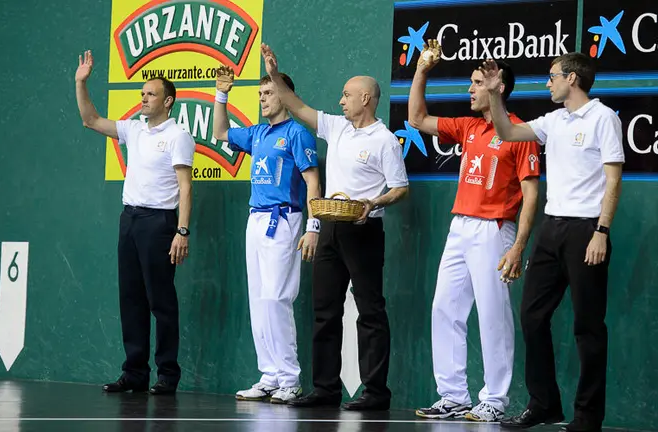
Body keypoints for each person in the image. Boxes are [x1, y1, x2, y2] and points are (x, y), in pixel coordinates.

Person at [258, 43, 409, 411]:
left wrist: (374, 203)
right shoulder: (337, 127)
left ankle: (376, 392)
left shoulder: (384, 140)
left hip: (364, 230)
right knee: (325, 311)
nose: (341, 100)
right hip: (330, 229)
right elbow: (295, 105)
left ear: (367, 98)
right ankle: (325, 388)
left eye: (347, 95)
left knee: (371, 311)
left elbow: (400, 188)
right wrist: (275, 74)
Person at [481, 53, 624, 432]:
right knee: (531, 316)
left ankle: (587, 416)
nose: (547, 83)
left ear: (572, 79)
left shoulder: (603, 118)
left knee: (587, 326)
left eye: (552, 77)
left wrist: (602, 231)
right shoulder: (552, 121)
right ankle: (544, 404)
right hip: (551, 228)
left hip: (586, 231)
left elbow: (613, 180)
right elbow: (507, 134)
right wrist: (495, 95)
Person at [407, 40, 541, 422]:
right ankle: (453, 396)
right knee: (444, 307)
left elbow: (531, 194)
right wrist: (422, 70)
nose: (470, 89)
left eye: (478, 82)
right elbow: (417, 119)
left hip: (495, 229)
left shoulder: (520, 133)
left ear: (497, 87)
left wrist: (517, 246)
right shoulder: (467, 126)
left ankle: (494, 401)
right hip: (460, 225)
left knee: (493, 314)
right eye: (470, 82)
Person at [75, 50, 195, 395]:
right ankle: (135, 373)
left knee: (161, 301)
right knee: (131, 298)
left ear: (167, 101)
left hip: (160, 222)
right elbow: (91, 120)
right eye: (142, 93)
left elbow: (185, 188)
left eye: (150, 94)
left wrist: (181, 231)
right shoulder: (133, 130)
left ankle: (167, 375)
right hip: (129, 220)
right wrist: (81, 83)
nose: (143, 98)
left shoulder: (178, 136)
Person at [211, 65, 321, 404]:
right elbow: (220, 132)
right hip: (255, 221)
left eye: (269, 93)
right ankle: (270, 375)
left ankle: (289, 378)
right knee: (259, 300)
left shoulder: (298, 133)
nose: (263, 99)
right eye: (260, 94)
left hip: (285, 220)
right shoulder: (257, 133)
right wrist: (222, 95)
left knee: (277, 298)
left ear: (285, 96)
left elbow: (313, 181)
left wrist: (314, 226)